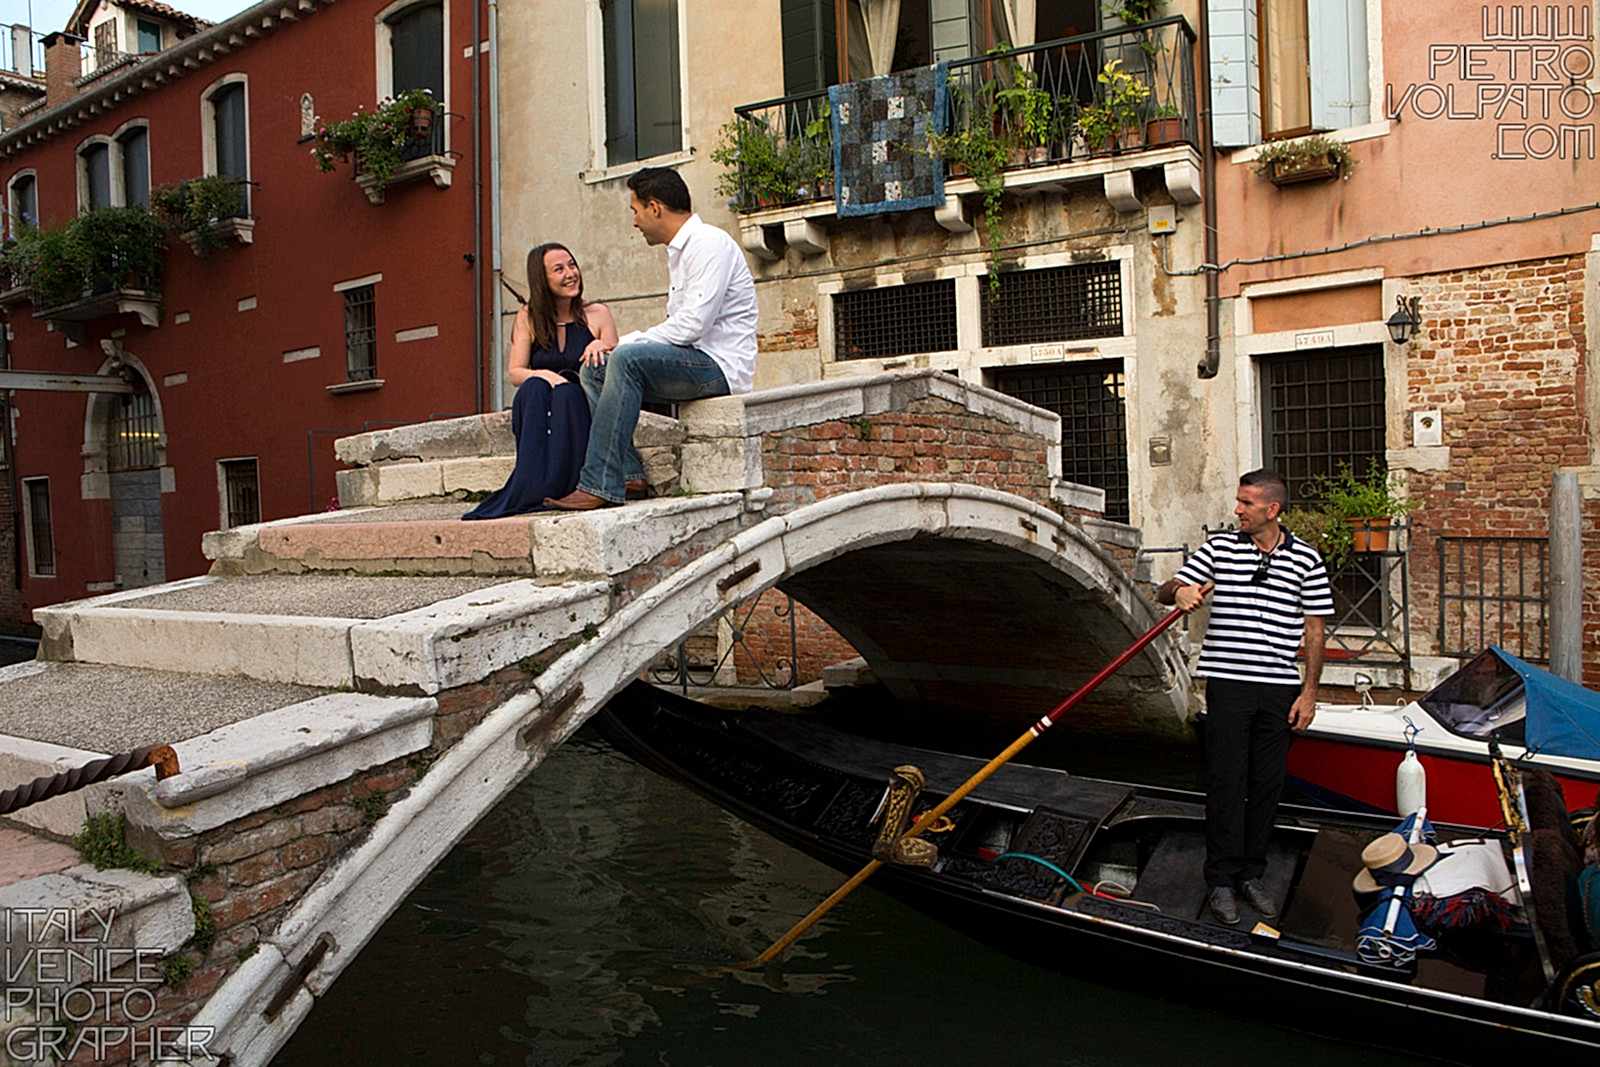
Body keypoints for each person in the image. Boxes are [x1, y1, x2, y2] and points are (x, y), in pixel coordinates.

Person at [1158, 469, 1334, 926]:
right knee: (1225, 783)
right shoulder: (1219, 549)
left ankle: (1251, 874)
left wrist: (1309, 693)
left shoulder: (1307, 561)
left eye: (1246, 503)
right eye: (1238, 502)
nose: (1237, 510)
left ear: (1271, 509)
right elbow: (1165, 588)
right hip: (1228, 684)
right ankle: (1219, 880)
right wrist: (1180, 591)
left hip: (1279, 688)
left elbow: (1315, 632)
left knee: (1267, 786)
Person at [544, 167, 757, 510]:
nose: (634, 221)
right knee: (595, 368)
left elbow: (690, 326)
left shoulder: (708, 244)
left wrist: (622, 343)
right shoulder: (681, 251)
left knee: (624, 358)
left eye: (635, 210)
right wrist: (615, 350)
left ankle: (598, 482)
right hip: (692, 360)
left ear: (655, 207)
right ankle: (629, 474)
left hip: (719, 367)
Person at [463, 243, 617, 519]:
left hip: (580, 406)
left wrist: (601, 346)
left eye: (572, 265)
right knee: (533, 387)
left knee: (567, 394)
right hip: (543, 399)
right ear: (542, 279)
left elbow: (616, 369)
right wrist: (546, 375)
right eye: (559, 269)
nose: (571, 273)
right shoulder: (528, 317)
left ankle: (565, 481)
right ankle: (531, 483)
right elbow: (515, 372)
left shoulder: (598, 314)